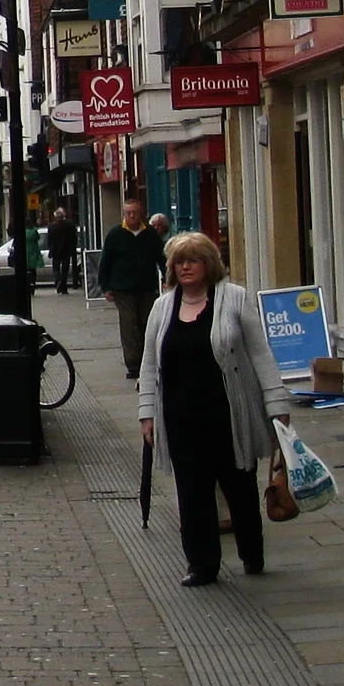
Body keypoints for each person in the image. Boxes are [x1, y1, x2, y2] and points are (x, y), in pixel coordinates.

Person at [139, 232, 290, 587]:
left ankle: (252, 552)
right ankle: (201, 565)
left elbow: (261, 355)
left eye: (193, 260)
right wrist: (146, 412)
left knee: (239, 487)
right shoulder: (163, 307)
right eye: (179, 261)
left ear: (209, 264)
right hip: (180, 416)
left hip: (228, 413)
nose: (186, 267)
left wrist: (277, 403)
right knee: (192, 492)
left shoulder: (235, 299)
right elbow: (149, 364)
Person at [99, 194, 163, 382]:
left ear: (141, 213)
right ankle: (133, 365)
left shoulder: (150, 234)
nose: (132, 216)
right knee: (129, 325)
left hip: (146, 287)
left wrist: (168, 277)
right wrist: (105, 286)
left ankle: (148, 361)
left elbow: (161, 257)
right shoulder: (116, 234)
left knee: (147, 324)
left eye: (134, 213)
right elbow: (106, 261)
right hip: (122, 288)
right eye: (128, 213)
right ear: (124, 214)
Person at [47, 205, 80, 295]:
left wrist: (50, 248)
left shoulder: (52, 226)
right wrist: (73, 247)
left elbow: (49, 239)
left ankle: (58, 281)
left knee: (56, 268)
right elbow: (74, 237)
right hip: (66, 250)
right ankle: (64, 287)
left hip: (55, 250)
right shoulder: (70, 225)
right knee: (65, 269)